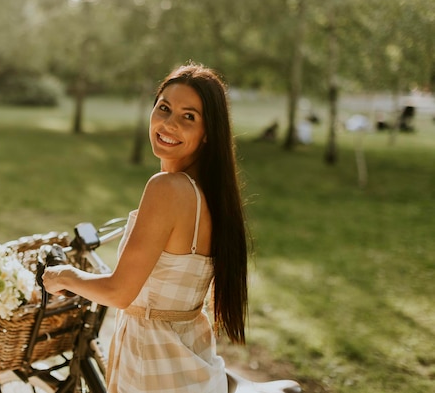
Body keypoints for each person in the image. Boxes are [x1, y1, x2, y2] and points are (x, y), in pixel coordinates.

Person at [43, 63, 300, 393]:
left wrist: (64, 276)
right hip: (188, 364)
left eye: (188, 117)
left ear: (208, 132)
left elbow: (119, 293)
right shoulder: (209, 191)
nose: (168, 123)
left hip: (154, 372)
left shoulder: (167, 188)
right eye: (164, 108)